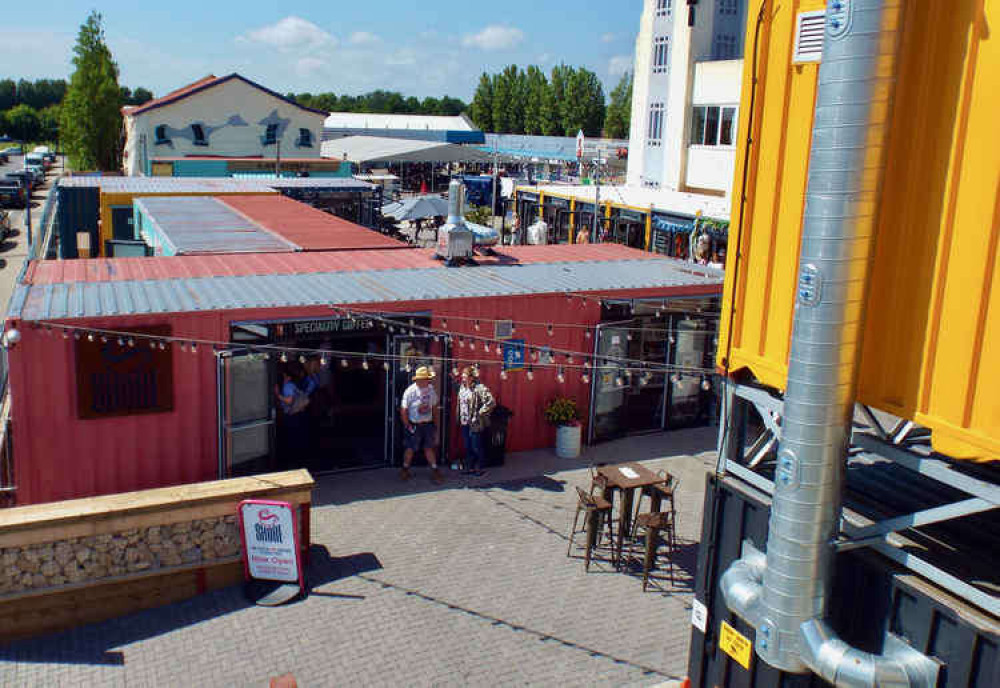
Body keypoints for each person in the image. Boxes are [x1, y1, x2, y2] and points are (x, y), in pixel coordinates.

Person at [399, 366, 444, 483]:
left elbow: (434, 408)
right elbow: (403, 409)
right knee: (410, 448)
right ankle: (405, 469)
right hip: (414, 424)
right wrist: (407, 425)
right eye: (423, 379)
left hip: (428, 424)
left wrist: (436, 424)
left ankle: (435, 470)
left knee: (429, 447)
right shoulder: (410, 391)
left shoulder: (431, 389)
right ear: (418, 379)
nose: (426, 381)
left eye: (427, 379)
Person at [457, 367, 496, 477]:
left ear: (471, 377)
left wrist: (479, 413)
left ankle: (480, 467)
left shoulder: (479, 388)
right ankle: (470, 466)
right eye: (462, 376)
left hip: (475, 422)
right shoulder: (462, 387)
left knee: (476, 446)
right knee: (467, 445)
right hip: (464, 421)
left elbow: (491, 402)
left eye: (465, 377)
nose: (463, 378)